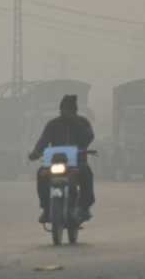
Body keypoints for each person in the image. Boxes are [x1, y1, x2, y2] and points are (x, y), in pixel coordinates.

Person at [28, 95, 95, 223]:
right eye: (63, 109)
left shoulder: (83, 122)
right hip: (55, 162)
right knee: (41, 174)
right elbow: (43, 140)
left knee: (86, 174)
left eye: (69, 110)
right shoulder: (53, 124)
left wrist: (76, 124)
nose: (65, 112)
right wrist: (36, 152)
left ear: (74, 111)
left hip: (77, 162)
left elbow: (89, 137)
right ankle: (47, 209)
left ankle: (83, 208)